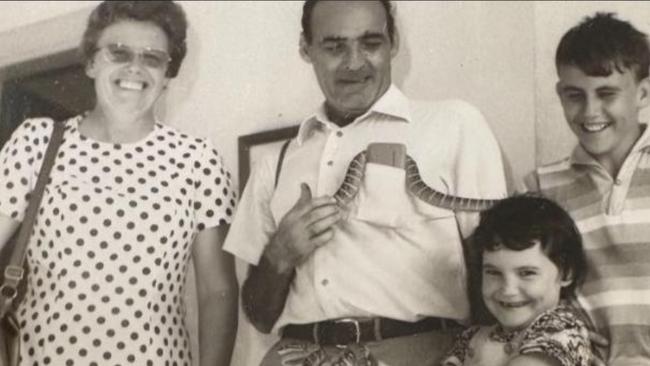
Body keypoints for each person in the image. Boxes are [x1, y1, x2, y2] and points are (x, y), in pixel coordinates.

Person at [223, 1, 507, 365]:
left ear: (394, 42)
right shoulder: (274, 164)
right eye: (334, 46)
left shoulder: (455, 126)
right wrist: (280, 253)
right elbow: (259, 316)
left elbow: (497, 273)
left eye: (370, 42)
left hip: (421, 352)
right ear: (305, 48)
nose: (354, 63)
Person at [0, 1, 238, 365]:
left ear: (168, 72)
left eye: (152, 58)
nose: (135, 68)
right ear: (92, 62)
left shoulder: (198, 161)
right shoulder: (37, 141)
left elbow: (216, 290)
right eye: (119, 52)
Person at [524, 12, 650, 365]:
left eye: (606, 93)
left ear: (643, 92)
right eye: (575, 95)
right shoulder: (540, 187)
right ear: (560, 93)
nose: (590, 111)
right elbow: (535, 293)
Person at [441, 195, 592, 366]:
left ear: (566, 274)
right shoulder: (472, 336)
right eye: (493, 272)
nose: (508, 290)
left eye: (527, 273)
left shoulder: (562, 329)